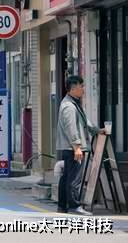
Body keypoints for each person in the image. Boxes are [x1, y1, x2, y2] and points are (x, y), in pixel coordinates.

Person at [56, 75, 105, 216]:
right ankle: (74, 206)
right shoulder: (69, 106)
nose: (83, 89)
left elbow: (84, 122)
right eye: (81, 86)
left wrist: (97, 130)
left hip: (70, 147)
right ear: (73, 89)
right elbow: (71, 128)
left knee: (67, 176)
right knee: (74, 178)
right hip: (73, 148)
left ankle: (62, 206)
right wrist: (77, 146)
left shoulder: (73, 103)